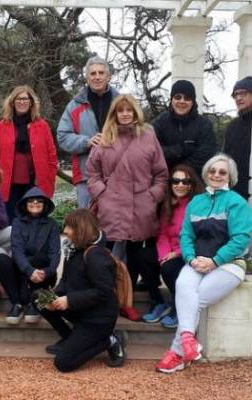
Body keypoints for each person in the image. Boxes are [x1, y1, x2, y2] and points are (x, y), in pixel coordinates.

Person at [156, 153, 252, 374]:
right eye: (212, 171)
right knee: (183, 286)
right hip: (197, 261)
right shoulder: (196, 203)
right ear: (206, 173)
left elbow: (240, 239)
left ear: (230, 176)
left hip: (229, 265)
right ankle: (189, 342)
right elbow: (186, 236)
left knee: (196, 298)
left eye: (222, 172)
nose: (216, 175)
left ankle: (177, 352)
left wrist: (215, 260)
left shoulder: (237, 203)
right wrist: (190, 258)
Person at [86, 94, 168, 320]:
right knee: (105, 256)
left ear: (135, 112)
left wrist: (152, 196)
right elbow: (92, 173)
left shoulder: (148, 136)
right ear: (115, 113)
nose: (125, 114)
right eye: (120, 110)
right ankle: (106, 302)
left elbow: (161, 174)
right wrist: (102, 194)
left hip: (140, 206)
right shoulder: (105, 139)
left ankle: (128, 302)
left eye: (128, 110)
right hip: (111, 206)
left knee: (135, 255)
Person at [40, 209, 126, 372]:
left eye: (69, 227)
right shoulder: (73, 249)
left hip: (98, 319)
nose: (65, 231)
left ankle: (110, 340)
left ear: (81, 229)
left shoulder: (96, 256)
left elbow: (104, 292)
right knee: (39, 298)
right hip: (81, 309)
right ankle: (69, 338)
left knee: (63, 364)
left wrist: (68, 300)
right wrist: (55, 298)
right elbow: (65, 281)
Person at [143, 164, 203, 328]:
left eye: (185, 181)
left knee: (168, 269)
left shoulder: (197, 205)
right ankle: (158, 301)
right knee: (143, 257)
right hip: (169, 250)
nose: (180, 185)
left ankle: (179, 307)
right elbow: (162, 233)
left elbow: (197, 237)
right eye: (176, 181)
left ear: (192, 184)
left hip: (188, 252)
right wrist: (164, 254)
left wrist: (176, 253)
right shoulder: (168, 205)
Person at [0, 85, 58, 222]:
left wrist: (51, 177)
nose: (22, 102)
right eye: (18, 99)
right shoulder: (3, 125)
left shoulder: (42, 125)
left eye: (25, 99)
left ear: (31, 102)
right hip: (8, 184)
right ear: (12, 102)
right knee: (9, 220)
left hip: (34, 183)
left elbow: (52, 155)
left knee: (33, 220)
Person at [0, 187, 60, 324]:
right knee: (1, 260)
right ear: (25, 204)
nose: (35, 203)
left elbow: (55, 253)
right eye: (31, 200)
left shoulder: (52, 224)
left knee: (39, 257)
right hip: (23, 269)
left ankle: (33, 303)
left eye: (39, 200)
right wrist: (29, 271)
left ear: (45, 204)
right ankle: (16, 303)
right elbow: (17, 250)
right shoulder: (17, 222)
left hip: (42, 273)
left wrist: (48, 271)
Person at [57, 56, 119, 208]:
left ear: (108, 76)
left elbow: (134, 133)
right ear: (86, 77)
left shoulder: (121, 103)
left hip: (118, 175)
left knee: (114, 224)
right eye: (92, 74)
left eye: (101, 73)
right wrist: (86, 141)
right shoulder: (74, 105)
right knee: (86, 224)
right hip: (86, 176)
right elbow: (62, 136)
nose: (97, 77)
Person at [152, 80, 216, 176]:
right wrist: (181, 150)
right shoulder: (160, 122)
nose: (182, 101)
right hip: (164, 179)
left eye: (187, 98)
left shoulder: (204, 125)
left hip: (195, 181)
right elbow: (152, 150)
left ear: (193, 102)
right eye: (178, 97)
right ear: (171, 99)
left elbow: (205, 155)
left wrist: (178, 172)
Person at [222, 76, 252, 199]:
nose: (238, 98)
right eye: (235, 95)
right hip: (233, 190)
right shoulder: (232, 126)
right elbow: (226, 157)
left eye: (243, 93)